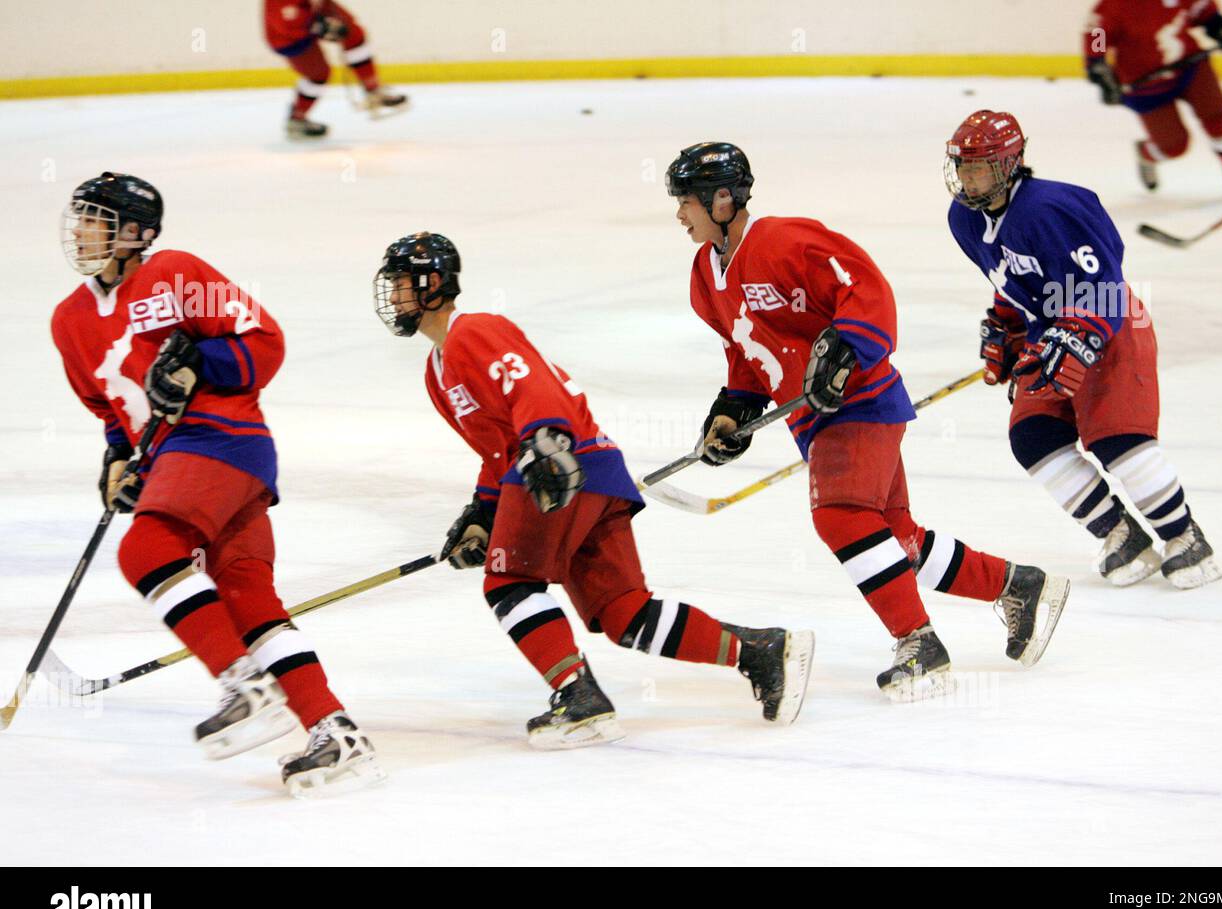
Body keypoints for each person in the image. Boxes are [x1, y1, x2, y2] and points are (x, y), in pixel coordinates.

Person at [372, 232, 814, 748]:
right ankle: (761, 651)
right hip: (585, 469)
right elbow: (497, 452)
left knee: (507, 583)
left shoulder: (475, 331)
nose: (394, 296)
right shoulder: (437, 371)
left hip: (568, 466)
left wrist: (547, 442)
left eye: (402, 283)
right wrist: (482, 512)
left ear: (432, 285)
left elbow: (533, 388)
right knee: (623, 611)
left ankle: (578, 696)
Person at [665, 143, 1069, 702]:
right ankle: (1019, 586)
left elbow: (867, 289)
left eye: (686, 202)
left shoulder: (786, 239)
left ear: (723, 199)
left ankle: (918, 645)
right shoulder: (703, 277)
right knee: (894, 537)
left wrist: (847, 346)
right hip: (812, 420)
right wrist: (733, 410)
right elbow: (746, 353)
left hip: (859, 402)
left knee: (840, 516)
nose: (680, 215)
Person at [51, 171, 384, 796]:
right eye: (79, 218)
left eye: (94, 218)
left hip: (221, 437)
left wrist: (201, 361)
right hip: (178, 458)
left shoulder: (173, 271)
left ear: (132, 233)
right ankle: (336, 734)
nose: (80, 230)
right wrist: (120, 461)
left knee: (145, 552)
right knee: (249, 602)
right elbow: (110, 410)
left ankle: (246, 685)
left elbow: (264, 341)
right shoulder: (68, 320)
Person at [943, 110, 1222, 590]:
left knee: (1117, 439)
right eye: (963, 167)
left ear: (1010, 164)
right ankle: (1121, 535)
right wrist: (1005, 328)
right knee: (1033, 437)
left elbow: (1106, 287)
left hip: (1109, 328)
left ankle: (1185, 538)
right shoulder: (963, 220)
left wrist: (1077, 334)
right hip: (1047, 333)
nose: (968, 179)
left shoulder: (1052, 207)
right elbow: (1010, 281)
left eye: (980, 167)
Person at [1084, 0, 1222, 193]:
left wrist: (1220, 27)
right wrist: (1099, 68)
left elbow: (1204, 12)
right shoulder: (1114, 6)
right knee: (1174, 146)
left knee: (1217, 119)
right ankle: (1146, 154)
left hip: (1190, 64)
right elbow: (1097, 34)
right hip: (1144, 82)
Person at [264, 0, 408, 139]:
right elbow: (285, 21)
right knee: (319, 74)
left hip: (312, 8)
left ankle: (373, 91)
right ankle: (296, 119)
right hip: (287, 34)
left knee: (353, 34)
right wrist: (317, 26)